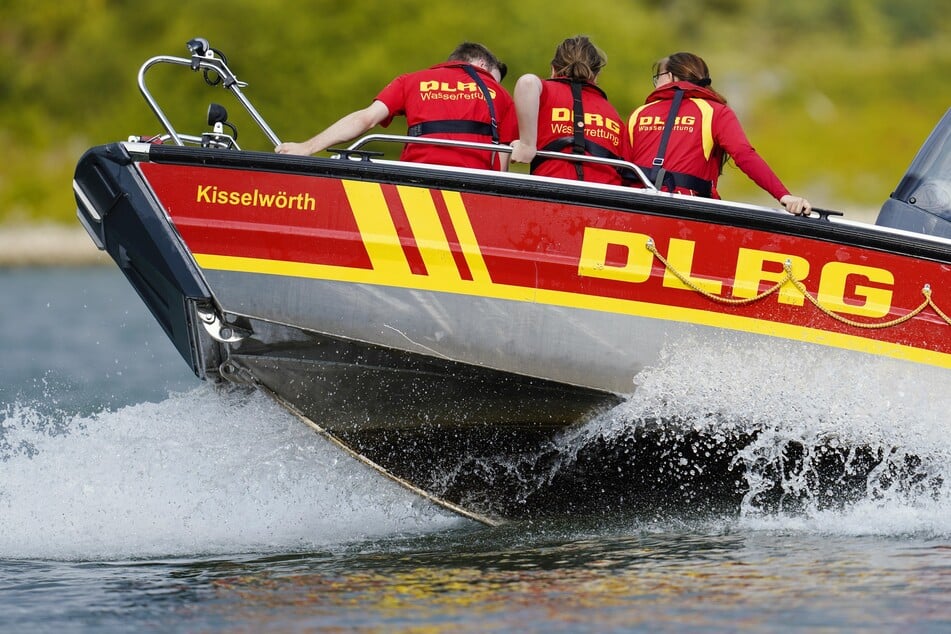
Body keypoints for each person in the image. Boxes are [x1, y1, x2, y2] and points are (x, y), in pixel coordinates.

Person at [276, 42, 517, 171]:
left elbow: (365, 119)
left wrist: (306, 148)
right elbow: (502, 163)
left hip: (413, 180)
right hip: (473, 188)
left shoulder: (411, 81)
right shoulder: (502, 95)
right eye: (492, 76)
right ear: (481, 63)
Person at [628, 52, 811, 215]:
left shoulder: (639, 114)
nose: (656, 84)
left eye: (657, 77)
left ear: (669, 77)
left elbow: (622, 167)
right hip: (689, 211)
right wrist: (783, 195)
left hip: (635, 206)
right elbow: (744, 155)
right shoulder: (716, 111)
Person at [510, 35, 632, 185]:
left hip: (551, 193)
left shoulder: (542, 96)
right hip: (604, 201)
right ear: (596, 75)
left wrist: (526, 145)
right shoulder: (613, 114)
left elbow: (528, 82)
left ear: (553, 69)